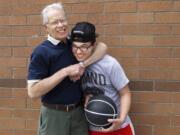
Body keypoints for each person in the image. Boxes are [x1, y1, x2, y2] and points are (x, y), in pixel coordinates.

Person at [27, 3, 107, 135]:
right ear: (46, 27)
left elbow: (102, 47)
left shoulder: (73, 43)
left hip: (78, 113)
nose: (61, 25)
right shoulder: (41, 52)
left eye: (62, 20)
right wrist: (65, 72)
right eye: (55, 22)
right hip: (54, 116)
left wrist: (82, 65)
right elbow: (33, 92)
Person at [71, 22, 135, 135]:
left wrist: (121, 119)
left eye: (84, 47)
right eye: (75, 46)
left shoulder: (110, 64)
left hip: (118, 127)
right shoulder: (74, 64)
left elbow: (125, 93)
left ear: (94, 45)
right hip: (93, 128)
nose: (79, 51)